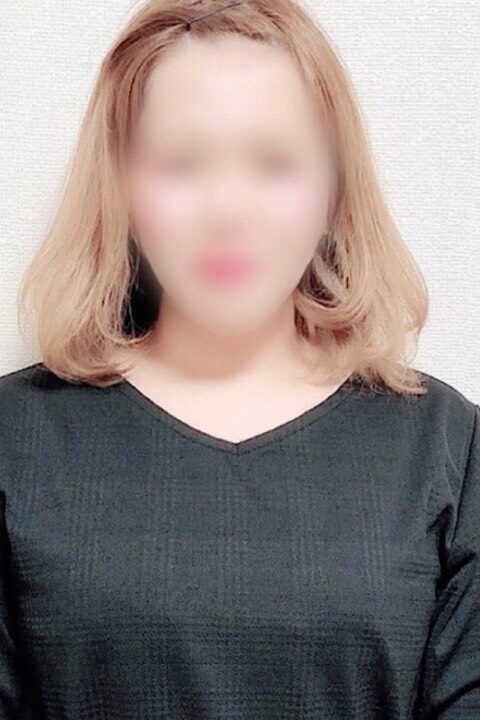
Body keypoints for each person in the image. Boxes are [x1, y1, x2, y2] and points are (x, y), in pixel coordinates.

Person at [1, 0, 478, 718]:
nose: (228, 210)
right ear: (121, 188)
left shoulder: (450, 448)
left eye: (275, 163)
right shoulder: (15, 438)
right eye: (181, 164)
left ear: (333, 191)